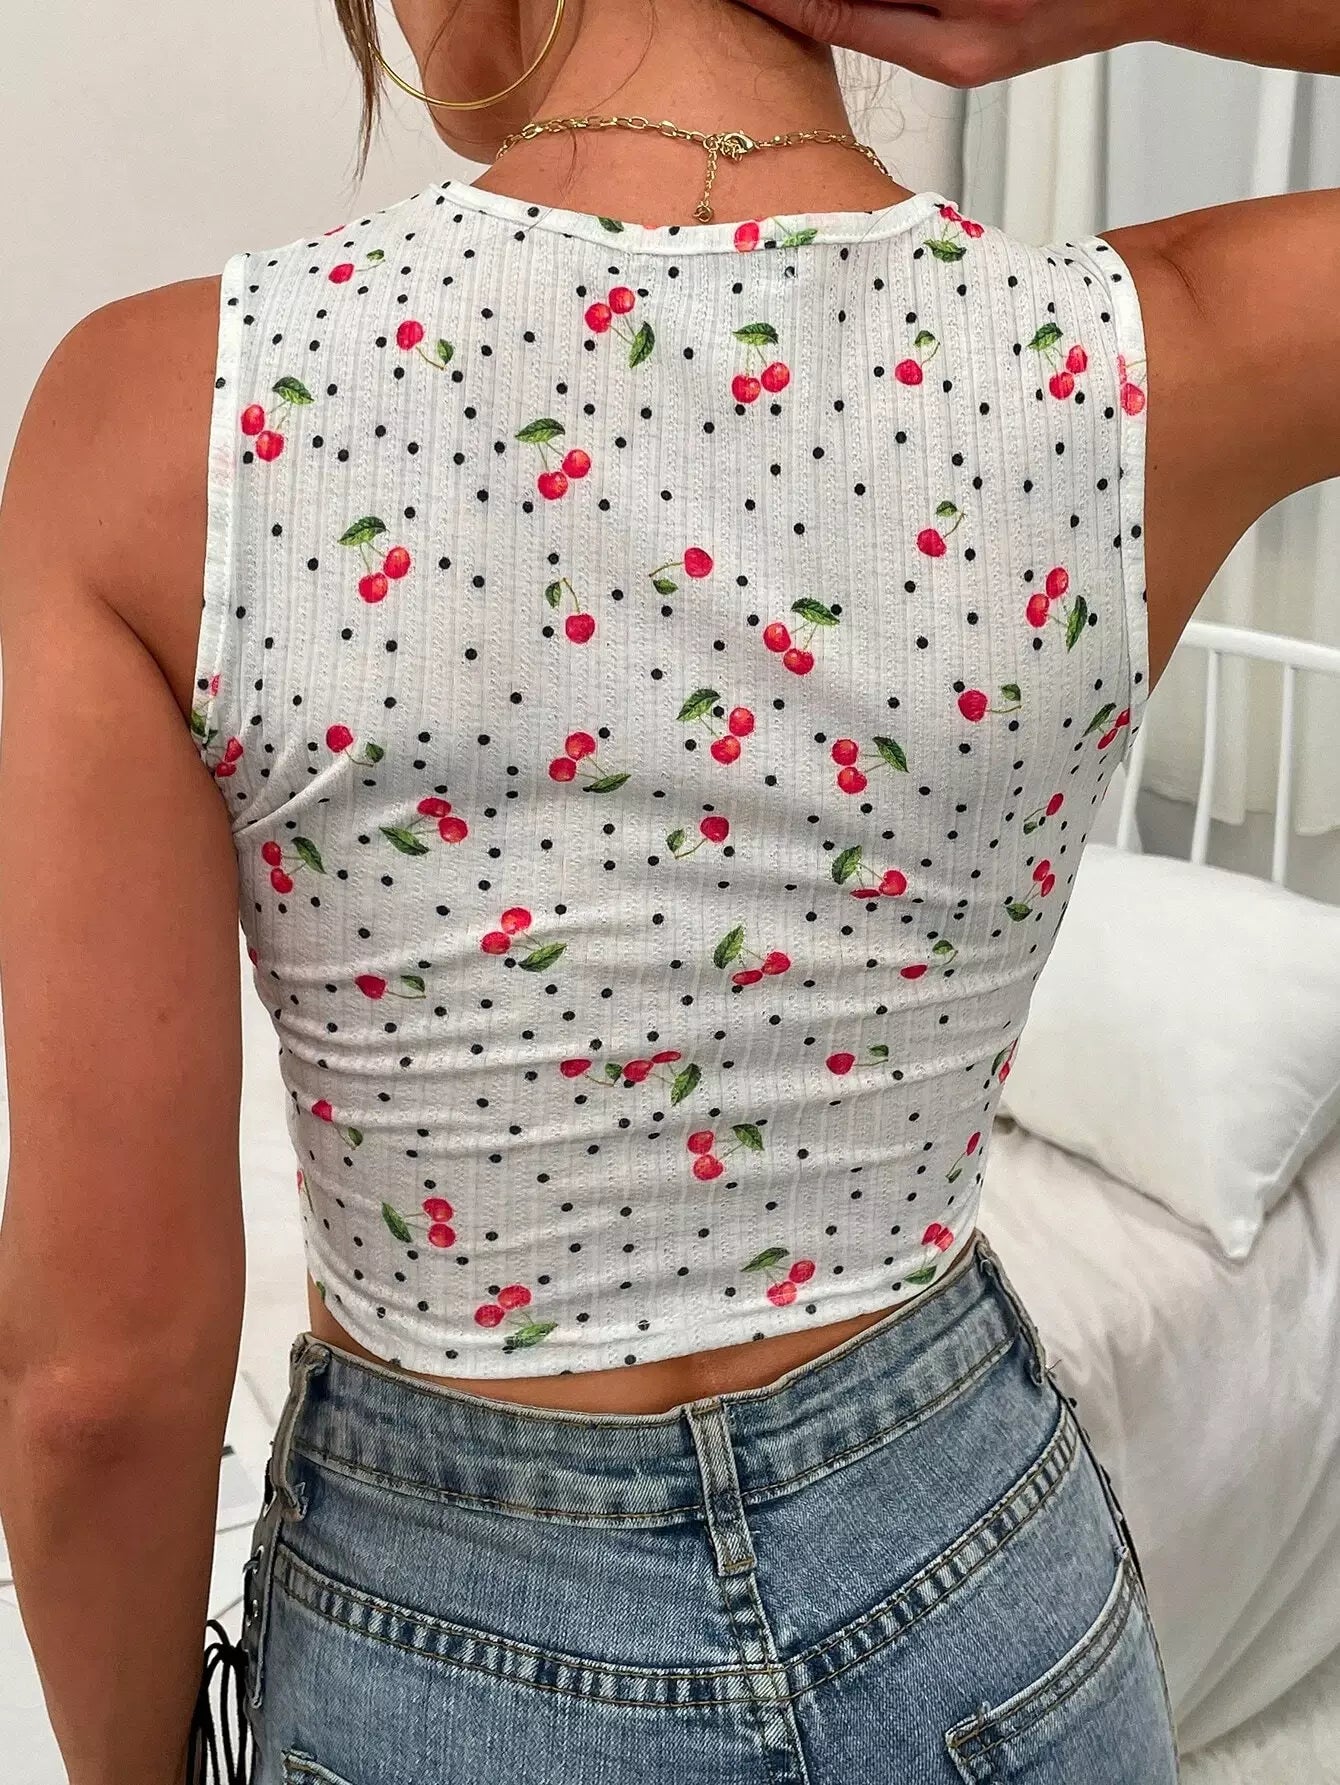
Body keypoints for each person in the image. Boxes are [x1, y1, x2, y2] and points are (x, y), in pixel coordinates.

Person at [0, 0, 1335, 1780]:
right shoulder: (1138, 361)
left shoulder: (162, 418)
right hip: (985, 1588)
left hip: (441, 1639)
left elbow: (99, 1386)